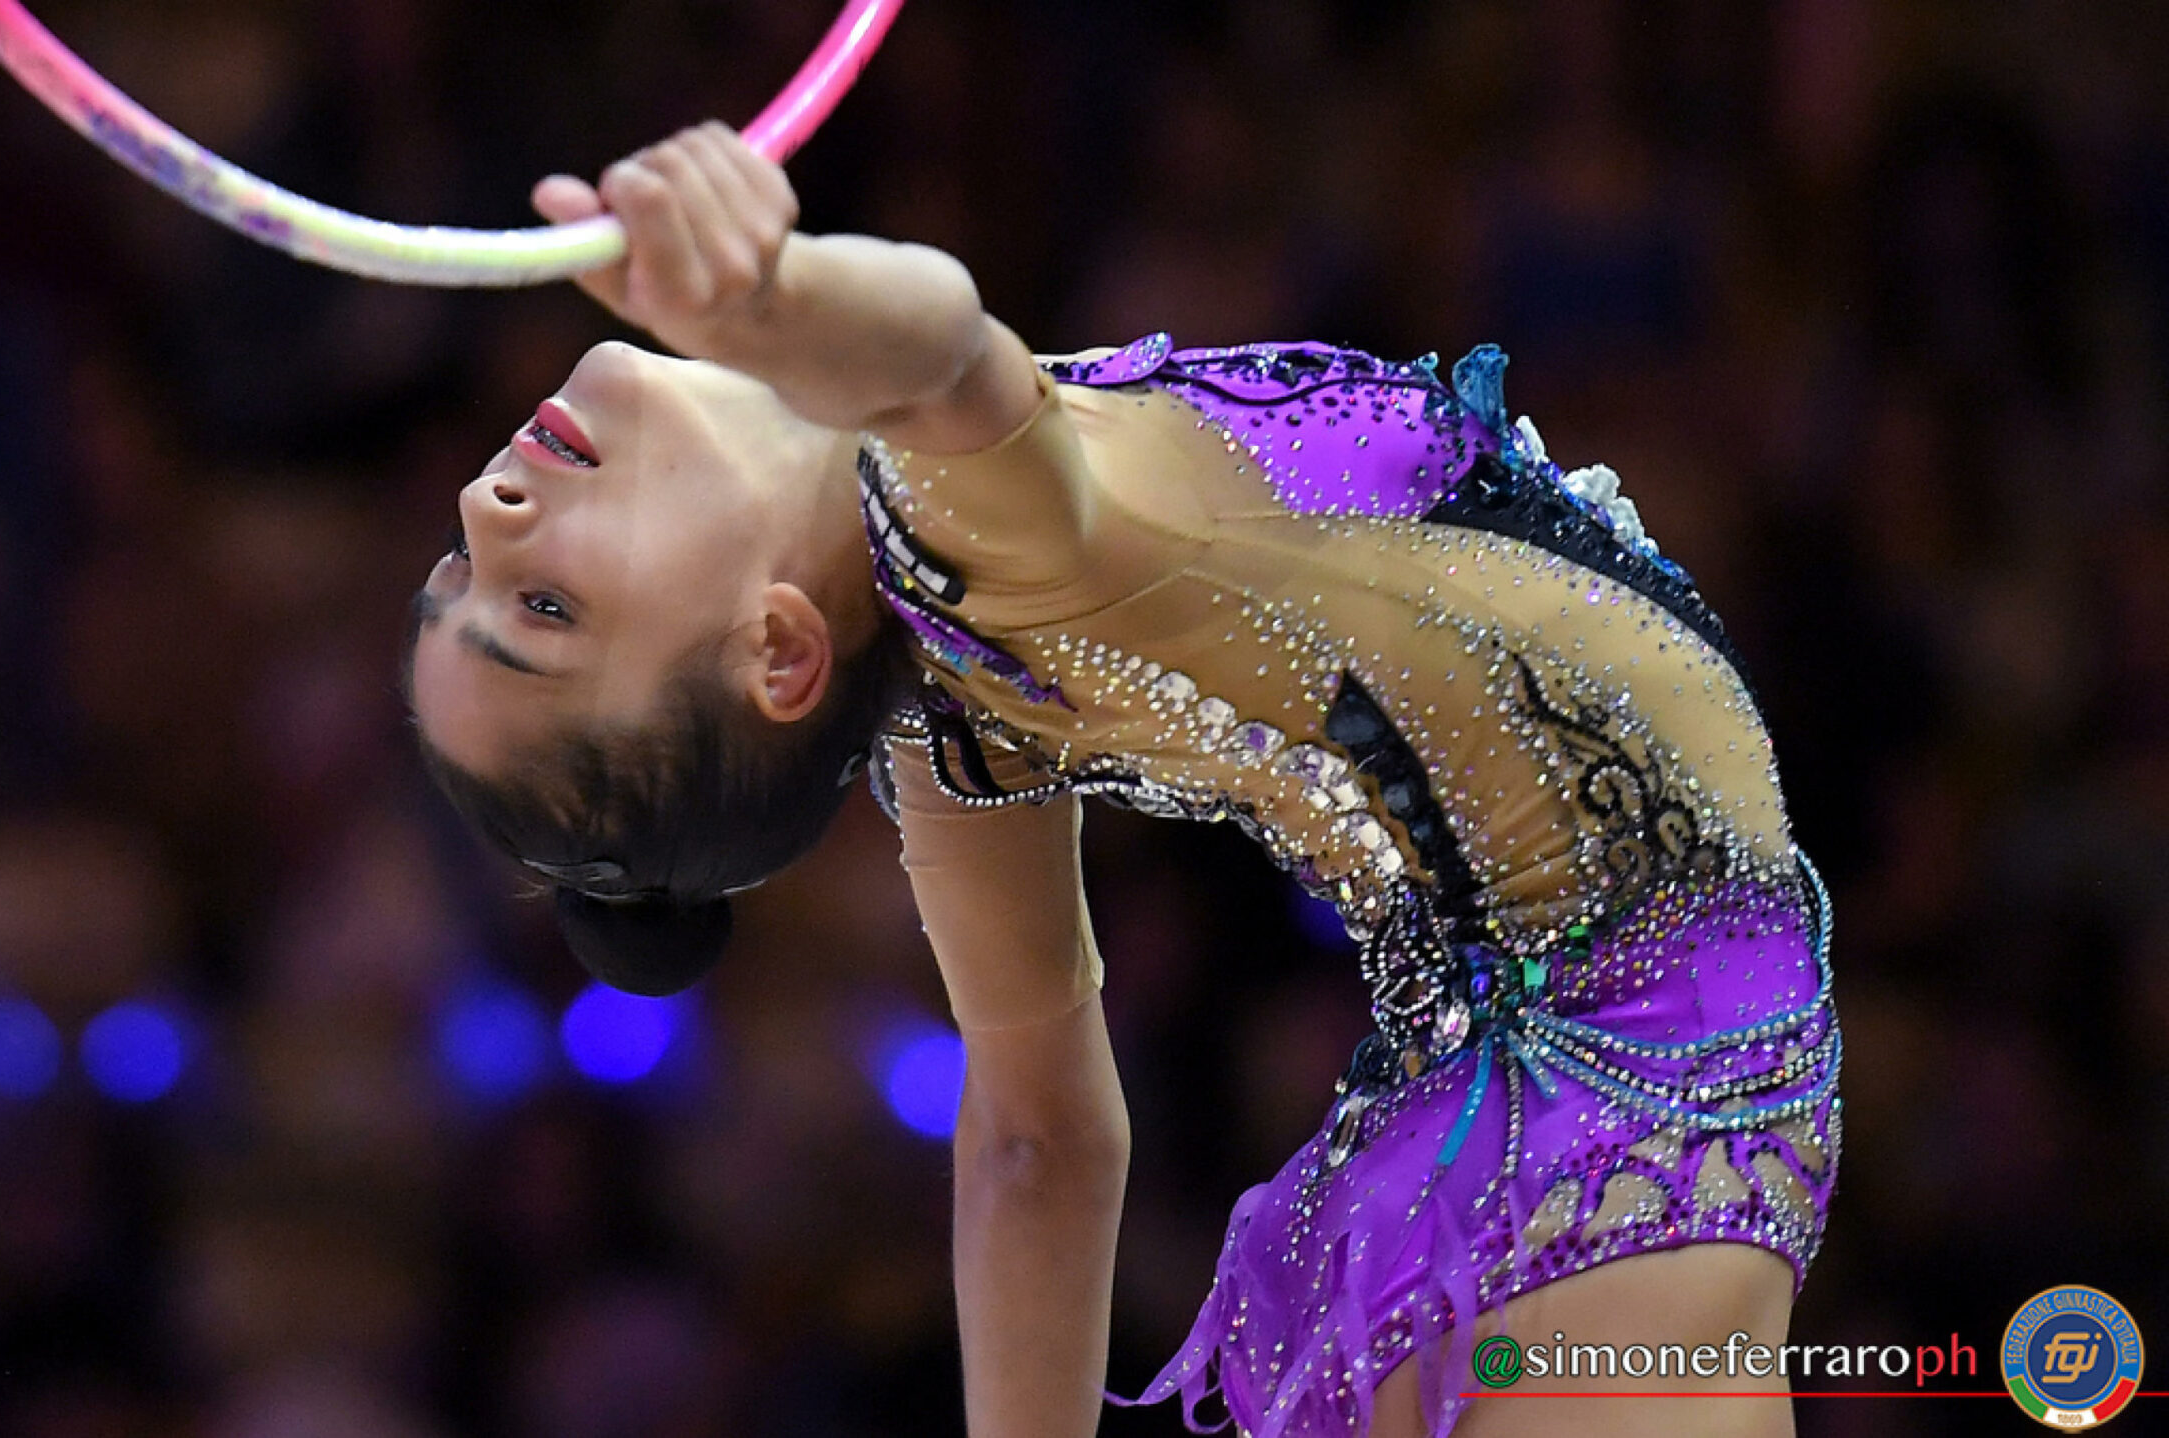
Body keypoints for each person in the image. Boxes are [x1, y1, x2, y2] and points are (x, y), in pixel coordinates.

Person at [405, 122, 1838, 1438]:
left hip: (1504, 1086)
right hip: (1650, 1072)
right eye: (542, 617)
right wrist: (764, 299)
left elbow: (1040, 1133)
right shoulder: (956, 522)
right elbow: (945, 350)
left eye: (460, 577)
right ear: (776, 655)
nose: (486, 507)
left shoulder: (952, 705)